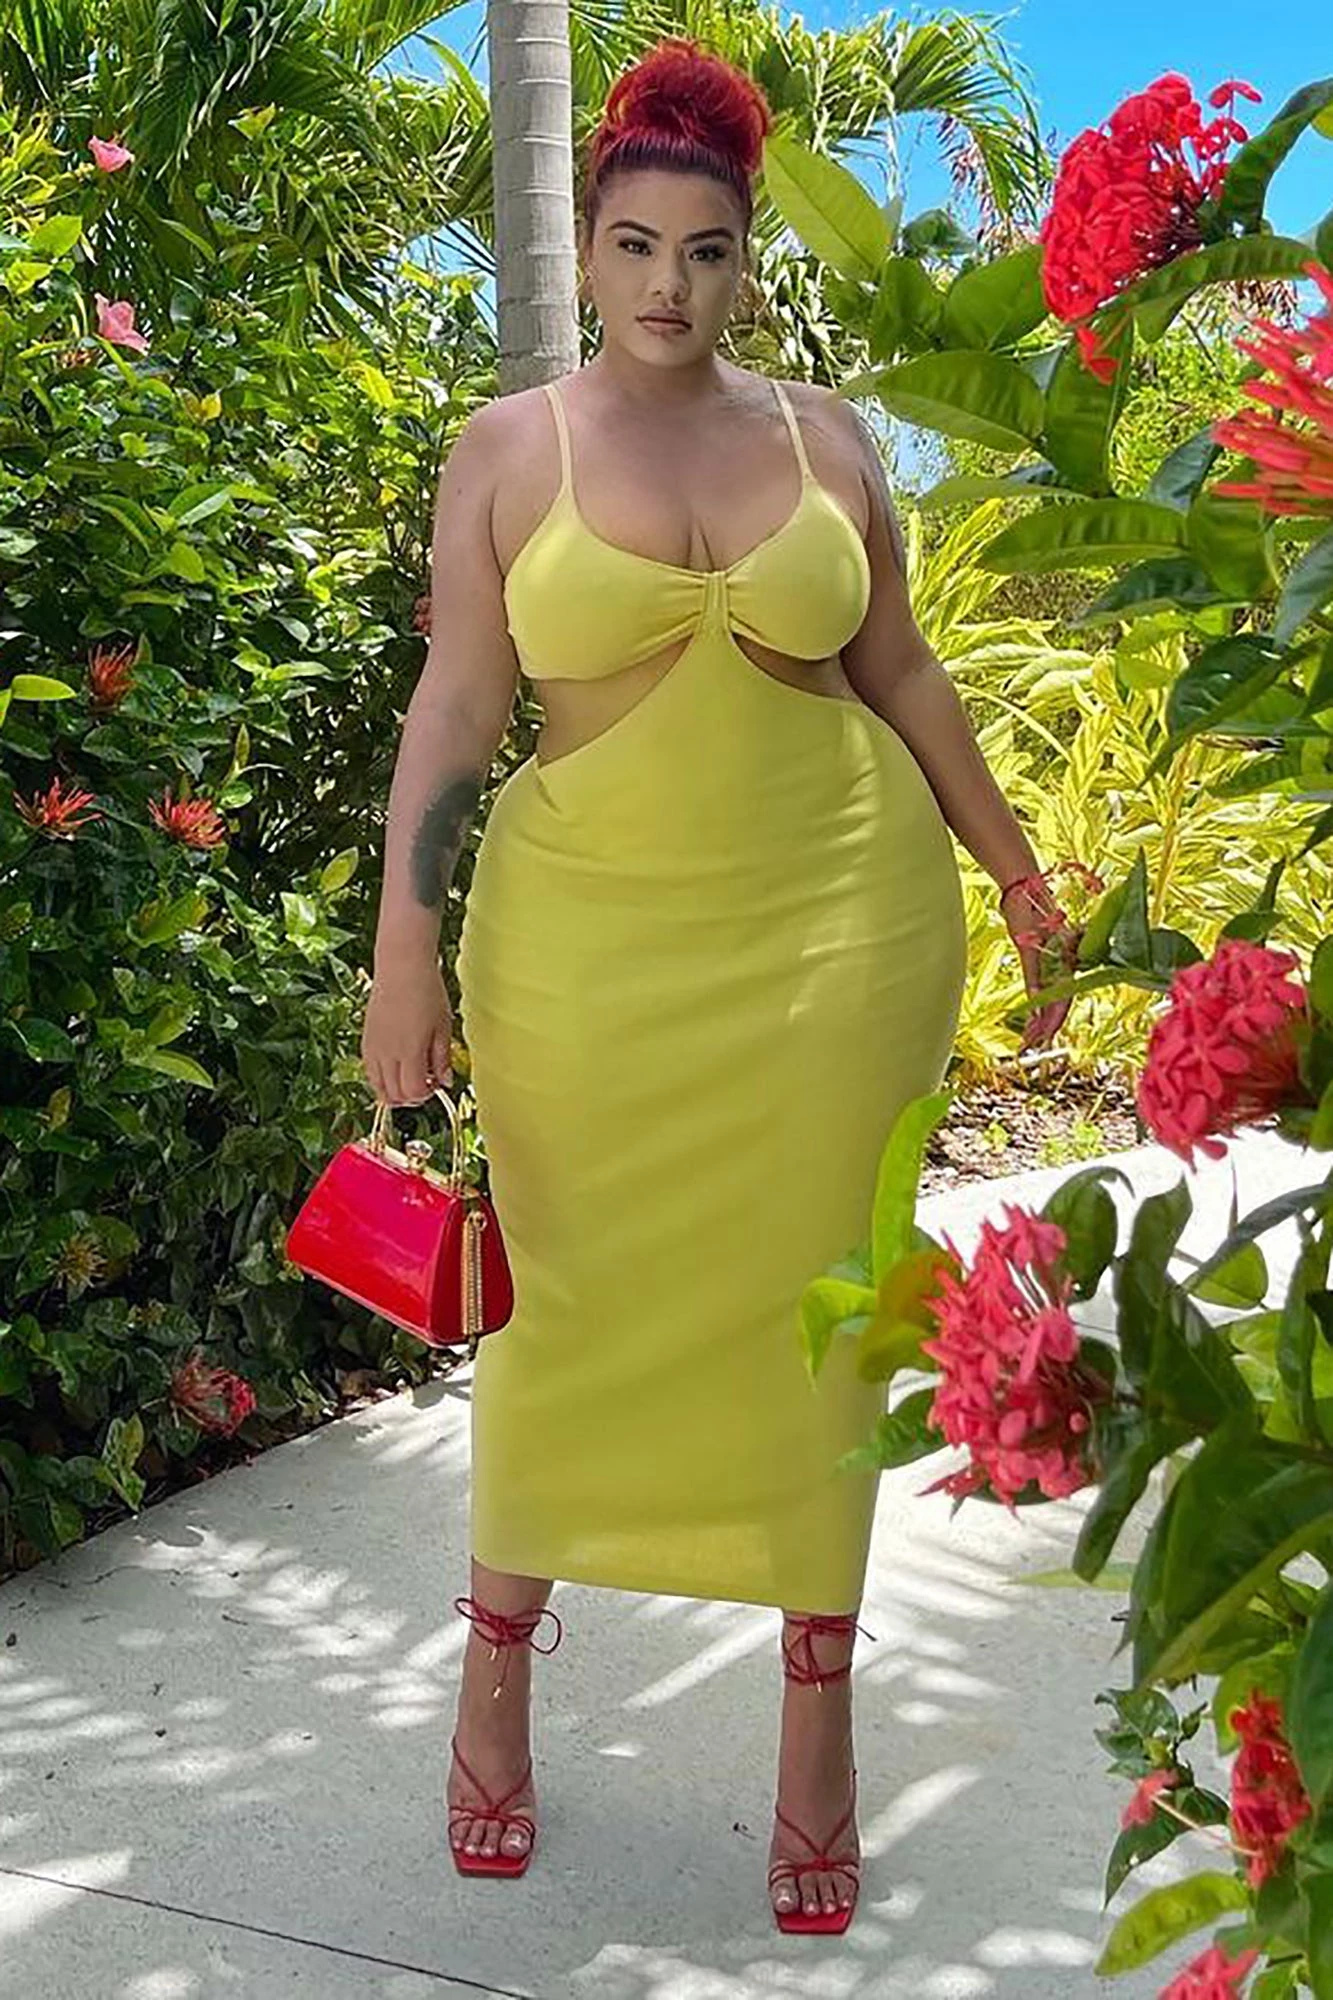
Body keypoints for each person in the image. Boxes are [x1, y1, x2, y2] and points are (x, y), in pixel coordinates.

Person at [361, 34, 1076, 1934]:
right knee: (564, 1315)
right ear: (588, 249)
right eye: (634, 246)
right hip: (584, 958)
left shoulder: (827, 442)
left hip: (840, 938)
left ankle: (816, 1727)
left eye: (706, 250)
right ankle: (496, 1677)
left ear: (748, 260)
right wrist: (404, 948)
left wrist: (1017, 875)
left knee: (819, 1318)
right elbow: (458, 705)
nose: (668, 285)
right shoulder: (510, 451)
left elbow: (900, 671)